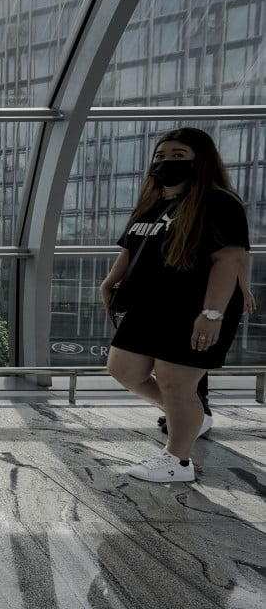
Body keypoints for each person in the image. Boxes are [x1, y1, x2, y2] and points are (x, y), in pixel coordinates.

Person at [101, 127, 249, 483]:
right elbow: (131, 246)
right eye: (161, 156)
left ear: (201, 161)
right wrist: (108, 282)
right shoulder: (154, 203)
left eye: (179, 156)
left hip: (193, 307)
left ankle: (178, 461)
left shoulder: (218, 202)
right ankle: (192, 416)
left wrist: (211, 314)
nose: (166, 162)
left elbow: (229, 258)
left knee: (175, 383)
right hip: (149, 305)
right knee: (124, 370)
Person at [156, 262, 254, 436]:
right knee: (182, 354)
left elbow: (238, 254)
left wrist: (243, 288)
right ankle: (186, 410)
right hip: (180, 288)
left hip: (202, 293)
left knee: (193, 351)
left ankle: (196, 411)